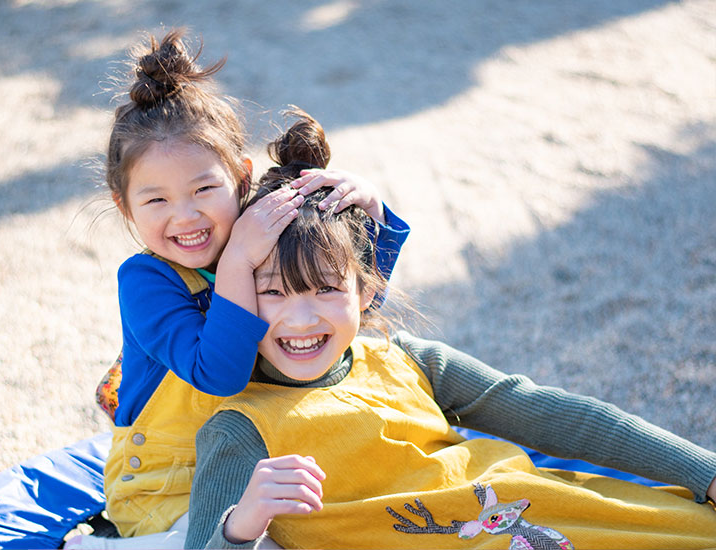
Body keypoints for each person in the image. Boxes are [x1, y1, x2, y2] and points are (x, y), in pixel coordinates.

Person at [185, 111, 716, 549]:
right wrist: (241, 525)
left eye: (325, 289)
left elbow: (557, 417)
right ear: (238, 295)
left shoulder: (407, 358)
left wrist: (703, 471)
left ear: (367, 291)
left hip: (550, 512)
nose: (300, 320)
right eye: (273, 292)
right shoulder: (240, 429)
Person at [66, 30, 409, 549]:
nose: (186, 216)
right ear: (123, 206)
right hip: (167, 489)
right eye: (155, 200)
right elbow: (217, 375)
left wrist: (375, 214)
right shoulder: (146, 282)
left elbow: (353, 306)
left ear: (241, 179)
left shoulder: (257, 234)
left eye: (204, 189)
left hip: (245, 463)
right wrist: (239, 263)